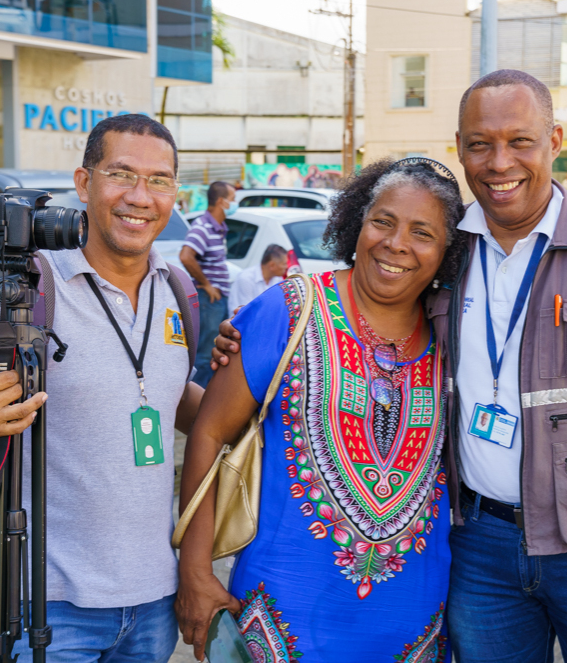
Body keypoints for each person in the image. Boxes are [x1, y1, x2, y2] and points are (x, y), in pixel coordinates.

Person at [214, 70, 567, 663]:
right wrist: (251, 336)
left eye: (520, 141)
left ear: (555, 141)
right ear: (461, 148)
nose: (499, 162)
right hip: (479, 545)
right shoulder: (449, 246)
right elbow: (370, 307)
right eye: (479, 144)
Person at [0, 114, 204, 662]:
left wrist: (257, 386)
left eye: (159, 180)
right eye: (121, 174)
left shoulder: (178, 289)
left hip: (155, 600)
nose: (141, 197)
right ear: (83, 182)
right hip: (41, 606)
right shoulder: (23, 288)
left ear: (174, 192)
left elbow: (174, 398)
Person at [175, 159, 466, 663]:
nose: (396, 243)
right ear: (357, 223)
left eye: (423, 232)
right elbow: (207, 433)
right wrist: (195, 573)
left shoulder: (454, 336)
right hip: (283, 614)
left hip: (411, 623)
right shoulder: (289, 310)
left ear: (446, 252)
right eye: (383, 221)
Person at [180, 181, 237, 386]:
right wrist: (206, 284)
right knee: (204, 354)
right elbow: (186, 256)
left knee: (214, 350)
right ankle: (197, 403)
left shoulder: (218, 227)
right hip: (208, 300)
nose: (235, 204)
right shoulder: (203, 226)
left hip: (216, 300)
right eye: (232, 200)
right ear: (221, 202)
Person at [227, 244, 288, 310]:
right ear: (272, 265)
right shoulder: (246, 278)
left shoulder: (277, 279)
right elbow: (247, 311)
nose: (286, 267)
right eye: (284, 264)